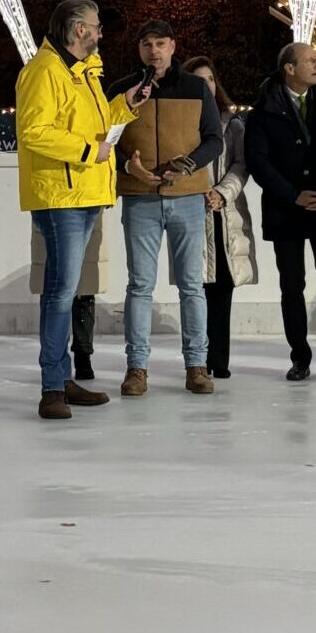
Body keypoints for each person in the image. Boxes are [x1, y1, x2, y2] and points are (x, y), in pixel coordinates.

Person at [17, 0, 151, 421]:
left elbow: (93, 124)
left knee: (68, 291)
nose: (100, 33)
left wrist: (125, 105)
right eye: (96, 26)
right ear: (78, 30)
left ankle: (62, 378)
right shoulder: (43, 71)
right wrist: (89, 151)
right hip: (62, 196)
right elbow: (35, 131)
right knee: (59, 294)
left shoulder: (84, 72)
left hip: (85, 192)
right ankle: (52, 388)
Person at [115, 20, 224, 396]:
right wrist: (127, 165)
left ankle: (197, 365)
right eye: (146, 44)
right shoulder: (122, 89)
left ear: (173, 46)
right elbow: (106, 139)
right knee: (140, 286)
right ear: (139, 49)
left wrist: (189, 165)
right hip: (139, 198)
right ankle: (137, 368)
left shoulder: (196, 88)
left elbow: (214, 140)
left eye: (160, 43)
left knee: (192, 286)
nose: (154, 50)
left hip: (188, 198)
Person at [244, 40, 316, 382]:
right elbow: (258, 162)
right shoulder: (263, 110)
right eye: (310, 60)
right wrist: (294, 196)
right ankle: (300, 358)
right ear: (289, 69)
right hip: (287, 211)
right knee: (291, 285)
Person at [183, 56, 255, 379]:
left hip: (225, 215)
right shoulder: (181, 124)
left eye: (210, 79)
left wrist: (221, 192)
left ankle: (219, 360)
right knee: (196, 287)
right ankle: (197, 359)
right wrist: (196, 190)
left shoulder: (233, 124)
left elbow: (241, 165)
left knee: (223, 286)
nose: (206, 86)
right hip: (192, 212)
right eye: (199, 81)